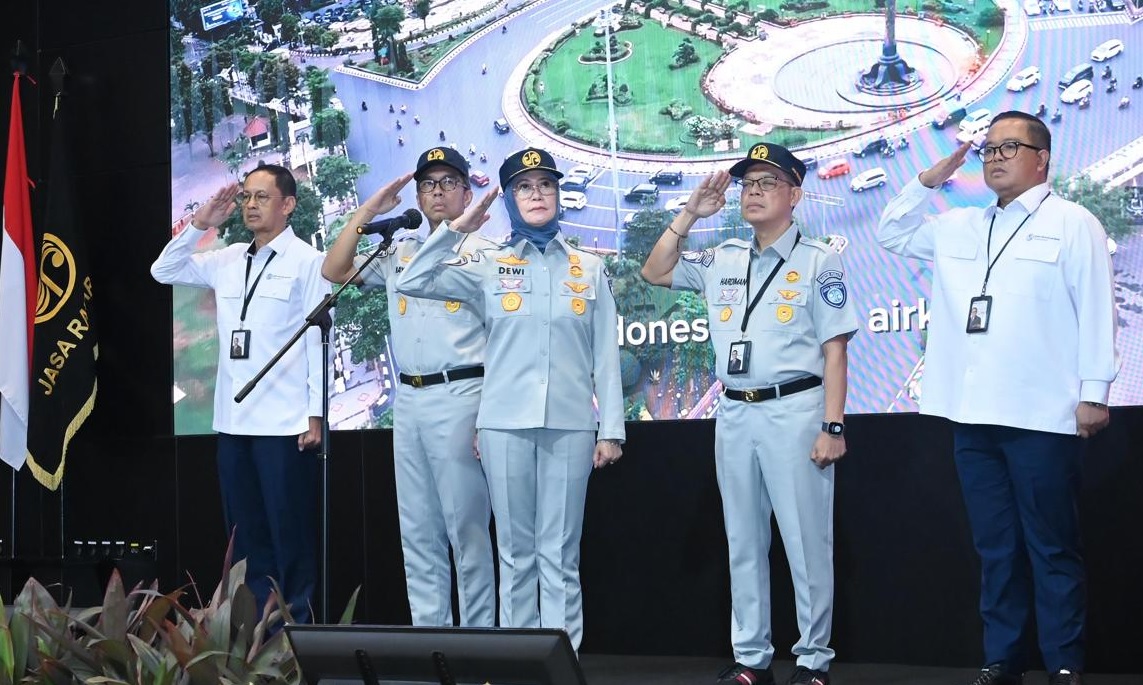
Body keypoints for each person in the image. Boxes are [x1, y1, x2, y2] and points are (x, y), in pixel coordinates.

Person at [876, 111, 1119, 685]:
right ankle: (1002, 658)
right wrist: (929, 178)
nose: (995, 156)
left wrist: (1094, 394)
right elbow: (890, 232)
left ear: (1043, 160)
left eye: (1010, 147)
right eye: (988, 148)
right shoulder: (959, 225)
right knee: (995, 547)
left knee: (1052, 546)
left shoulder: (1071, 222)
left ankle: (1063, 662)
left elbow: (1096, 310)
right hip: (971, 415)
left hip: (1042, 413)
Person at [641, 143, 858, 685]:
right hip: (734, 414)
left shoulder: (817, 261)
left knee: (806, 542)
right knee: (742, 538)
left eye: (767, 181)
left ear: (794, 195)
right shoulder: (723, 259)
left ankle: (813, 659)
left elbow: (836, 349)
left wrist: (833, 426)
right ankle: (751, 657)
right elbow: (654, 270)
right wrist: (690, 214)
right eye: (747, 183)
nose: (753, 191)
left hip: (795, 410)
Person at [395, 147, 624, 651]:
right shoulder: (489, 265)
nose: (537, 194)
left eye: (545, 185)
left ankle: (563, 662)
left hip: (569, 424)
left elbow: (605, 354)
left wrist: (611, 429)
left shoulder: (588, 268)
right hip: (501, 424)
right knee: (516, 552)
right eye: (524, 187)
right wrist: (456, 230)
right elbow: (411, 280)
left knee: (559, 553)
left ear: (558, 195)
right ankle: (519, 662)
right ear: (509, 200)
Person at [321, 147, 497, 627]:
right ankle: (432, 639)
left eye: (447, 182)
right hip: (410, 400)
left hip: (463, 397)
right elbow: (335, 270)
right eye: (427, 185)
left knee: (467, 529)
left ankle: (479, 644)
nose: (436, 192)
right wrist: (367, 212)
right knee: (417, 530)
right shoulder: (400, 252)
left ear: (467, 190)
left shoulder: (488, 255)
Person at [151, 164, 329, 623]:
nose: (250, 205)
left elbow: (315, 338)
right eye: (246, 196)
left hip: (285, 425)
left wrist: (315, 413)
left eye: (262, 197)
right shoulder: (228, 258)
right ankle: (254, 642)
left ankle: (296, 638)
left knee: (289, 536)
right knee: (246, 539)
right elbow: (162, 270)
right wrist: (199, 225)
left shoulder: (309, 262)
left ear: (288, 205)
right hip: (233, 425)